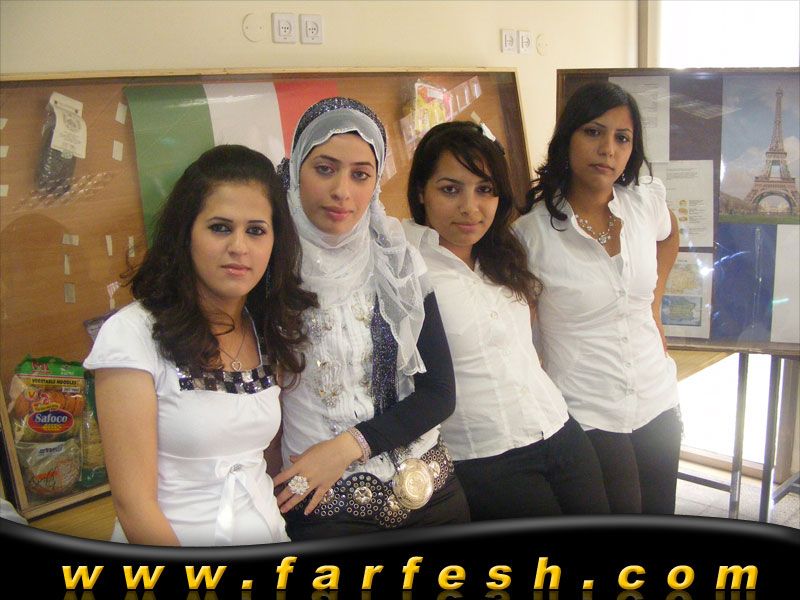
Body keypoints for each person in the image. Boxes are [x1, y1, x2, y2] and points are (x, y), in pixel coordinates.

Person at [83, 144, 315, 545]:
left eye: (256, 230)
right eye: (220, 227)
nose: (239, 247)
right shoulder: (130, 334)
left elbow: (263, 462)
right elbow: (134, 507)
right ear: (185, 233)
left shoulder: (266, 329)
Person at [272, 97, 470, 539]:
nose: (342, 191)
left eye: (360, 174)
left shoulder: (398, 260)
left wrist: (346, 447)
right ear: (297, 169)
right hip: (327, 505)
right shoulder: (268, 268)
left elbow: (439, 393)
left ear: (376, 182)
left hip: (430, 491)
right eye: (325, 168)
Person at [403, 120, 610, 519]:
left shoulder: (503, 252)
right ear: (421, 192)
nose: (470, 207)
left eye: (485, 190)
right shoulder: (405, 265)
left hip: (559, 429)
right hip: (486, 458)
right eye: (450, 189)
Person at [514, 81, 681, 514]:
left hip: (656, 394)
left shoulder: (642, 205)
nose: (608, 149)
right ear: (567, 138)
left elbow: (670, 235)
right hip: (587, 408)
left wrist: (655, 305)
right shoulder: (531, 234)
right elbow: (520, 327)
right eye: (593, 132)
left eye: (622, 138)